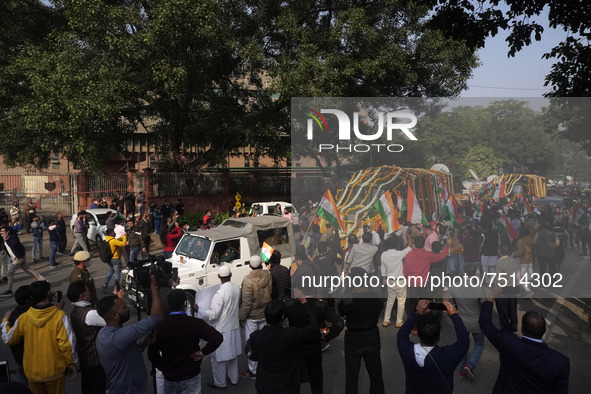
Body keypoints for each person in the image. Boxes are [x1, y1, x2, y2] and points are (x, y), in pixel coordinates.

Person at [479, 288, 570, 393]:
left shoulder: (508, 342)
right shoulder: (560, 362)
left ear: (522, 328)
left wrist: (490, 299)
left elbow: (485, 323)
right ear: (544, 331)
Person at [1, 280, 77, 394]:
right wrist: (71, 364)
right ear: (48, 294)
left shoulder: (24, 318)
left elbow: (8, 338)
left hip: (33, 373)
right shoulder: (59, 315)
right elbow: (67, 344)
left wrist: (5, 320)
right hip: (54, 372)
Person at [96, 270, 163, 394]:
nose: (128, 308)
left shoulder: (103, 334)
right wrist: (154, 287)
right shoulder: (118, 337)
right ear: (114, 316)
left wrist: (143, 344)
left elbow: (123, 354)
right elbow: (156, 318)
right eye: (123, 307)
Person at [149, 289, 223, 393]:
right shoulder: (195, 323)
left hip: (170, 377)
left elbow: (152, 353)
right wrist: (203, 352)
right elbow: (217, 338)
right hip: (191, 375)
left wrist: (164, 368)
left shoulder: (160, 326)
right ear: (185, 304)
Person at [248, 298, 320, 394]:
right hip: (287, 385)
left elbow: (251, 354)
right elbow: (314, 325)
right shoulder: (290, 334)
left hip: (265, 385)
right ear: (282, 317)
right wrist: (304, 302)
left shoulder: (256, 336)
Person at [397, 299, 469, 394]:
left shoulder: (407, 351)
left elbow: (401, 334)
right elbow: (464, 341)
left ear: (417, 333)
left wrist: (417, 313)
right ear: (439, 336)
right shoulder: (448, 356)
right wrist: (455, 315)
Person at [338, 267, 385, 394]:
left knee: (352, 376)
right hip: (372, 336)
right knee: (376, 375)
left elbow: (341, 313)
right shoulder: (376, 297)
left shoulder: (348, 300)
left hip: (353, 338)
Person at [195, 265, 242, 389]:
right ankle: (234, 378)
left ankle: (220, 382)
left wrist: (199, 309)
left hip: (221, 330)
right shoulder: (237, 288)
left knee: (218, 359)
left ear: (218, 276)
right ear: (231, 275)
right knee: (232, 357)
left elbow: (213, 315)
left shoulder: (219, 294)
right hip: (234, 327)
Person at [67, 281, 107, 394]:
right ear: (82, 296)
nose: (90, 292)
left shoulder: (74, 311)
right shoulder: (90, 314)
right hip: (95, 360)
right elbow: (110, 321)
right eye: (87, 291)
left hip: (85, 359)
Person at [448, 264, 486, 380]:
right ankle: (470, 365)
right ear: (475, 274)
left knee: (462, 344)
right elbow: (484, 304)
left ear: (464, 272)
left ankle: (463, 369)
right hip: (476, 320)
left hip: (461, 320)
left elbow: (449, 301)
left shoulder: (455, 286)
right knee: (479, 343)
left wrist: (455, 312)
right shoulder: (479, 288)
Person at [239, 255, 272, 380]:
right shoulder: (268, 275)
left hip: (252, 317)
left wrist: (242, 317)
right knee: (264, 342)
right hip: (264, 313)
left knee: (251, 344)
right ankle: (264, 366)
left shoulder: (248, 281)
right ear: (261, 264)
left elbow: (246, 303)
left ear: (250, 266)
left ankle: (253, 371)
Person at [0, 225, 44, 297]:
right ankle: (42, 280)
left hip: (19, 257)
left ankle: (9, 290)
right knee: (28, 270)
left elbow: (13, 246)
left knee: (9, 272)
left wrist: (6, 240)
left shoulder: (13, 237)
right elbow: (5, 246)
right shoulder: (4, 238)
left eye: (2, 231)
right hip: (16, 257)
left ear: (7, 232)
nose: (1, 233)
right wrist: (3, 250)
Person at [381, 235, 412, 328]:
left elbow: (383, 268)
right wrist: (407, 237)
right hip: (400, 280)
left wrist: (383, 278)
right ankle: (399, 321)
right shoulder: (399, 254)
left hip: (390, 280)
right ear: (397, 244)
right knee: (401, 301)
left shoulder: (383, 254)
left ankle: (386, 320)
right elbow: (410, 247)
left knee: (390, 300)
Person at [5, 285, 33, 385]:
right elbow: (7, 338)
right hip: (30, 361)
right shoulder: (29, 316)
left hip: (20, 360)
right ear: (27, 300)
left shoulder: (12, 315)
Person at [495, 243, 520, 333]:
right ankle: (514, 327)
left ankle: (505, 327)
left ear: (500, 251)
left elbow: (499, 278)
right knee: (512, 308)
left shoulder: (499, 262)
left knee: (503, 309)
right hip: (513, 287)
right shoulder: (513, 261)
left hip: (503, 288)